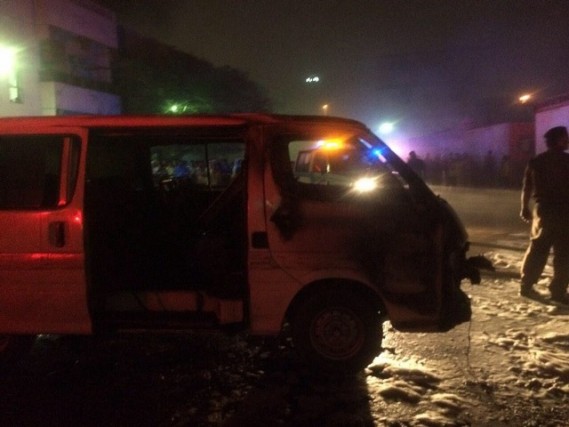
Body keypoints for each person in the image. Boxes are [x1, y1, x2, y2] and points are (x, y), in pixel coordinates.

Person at [519, 126, 569, 305]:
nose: (567, 140)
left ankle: (526, 284)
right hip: (564, 212)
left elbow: (527, 187)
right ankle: (558, 291)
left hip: (542, 211)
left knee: (538, 249)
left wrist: (524, 207)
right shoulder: (567, 161)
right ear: (558, 140)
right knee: (564, 253)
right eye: (565, 137)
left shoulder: (536, 161)